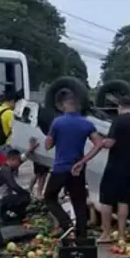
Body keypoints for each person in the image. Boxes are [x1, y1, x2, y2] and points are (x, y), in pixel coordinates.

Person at [73, 93, 130, 245]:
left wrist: (99, 140)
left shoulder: (118, 121)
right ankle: (121, 235)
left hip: (115, 166)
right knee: (123, 201)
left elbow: (110, 143)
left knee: (106, 201)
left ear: (120, 107)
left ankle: (106, 233)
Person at [44, 92, 104, 243]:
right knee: (79, 203)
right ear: (77, 106)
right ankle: (82, 238)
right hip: (77, 168)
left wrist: (53, 136)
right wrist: (83, 161)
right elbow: (99, 144)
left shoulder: (57, 123)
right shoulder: (86, 124)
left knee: (49, 197)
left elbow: (47, 146)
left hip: (60, 168)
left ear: (64, 105)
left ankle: (66, 223)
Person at [0, 139, 37, 224]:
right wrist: (25, 193)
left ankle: (16, 215)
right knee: (24, 198)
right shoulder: (5, 170)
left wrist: (30, 149)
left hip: (5, 197)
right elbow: (13, 185)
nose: (18, 164)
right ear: (11, 160)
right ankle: (9, 216)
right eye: (17, 161)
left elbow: (21, 159)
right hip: (1, 199)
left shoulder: (8, 166)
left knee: (23, 197)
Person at [0, 88, 22, 166]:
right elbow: (17, 130)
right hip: (8, 148)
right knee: (9, 172)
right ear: (12, 101)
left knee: (0, 171)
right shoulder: (9, 113)